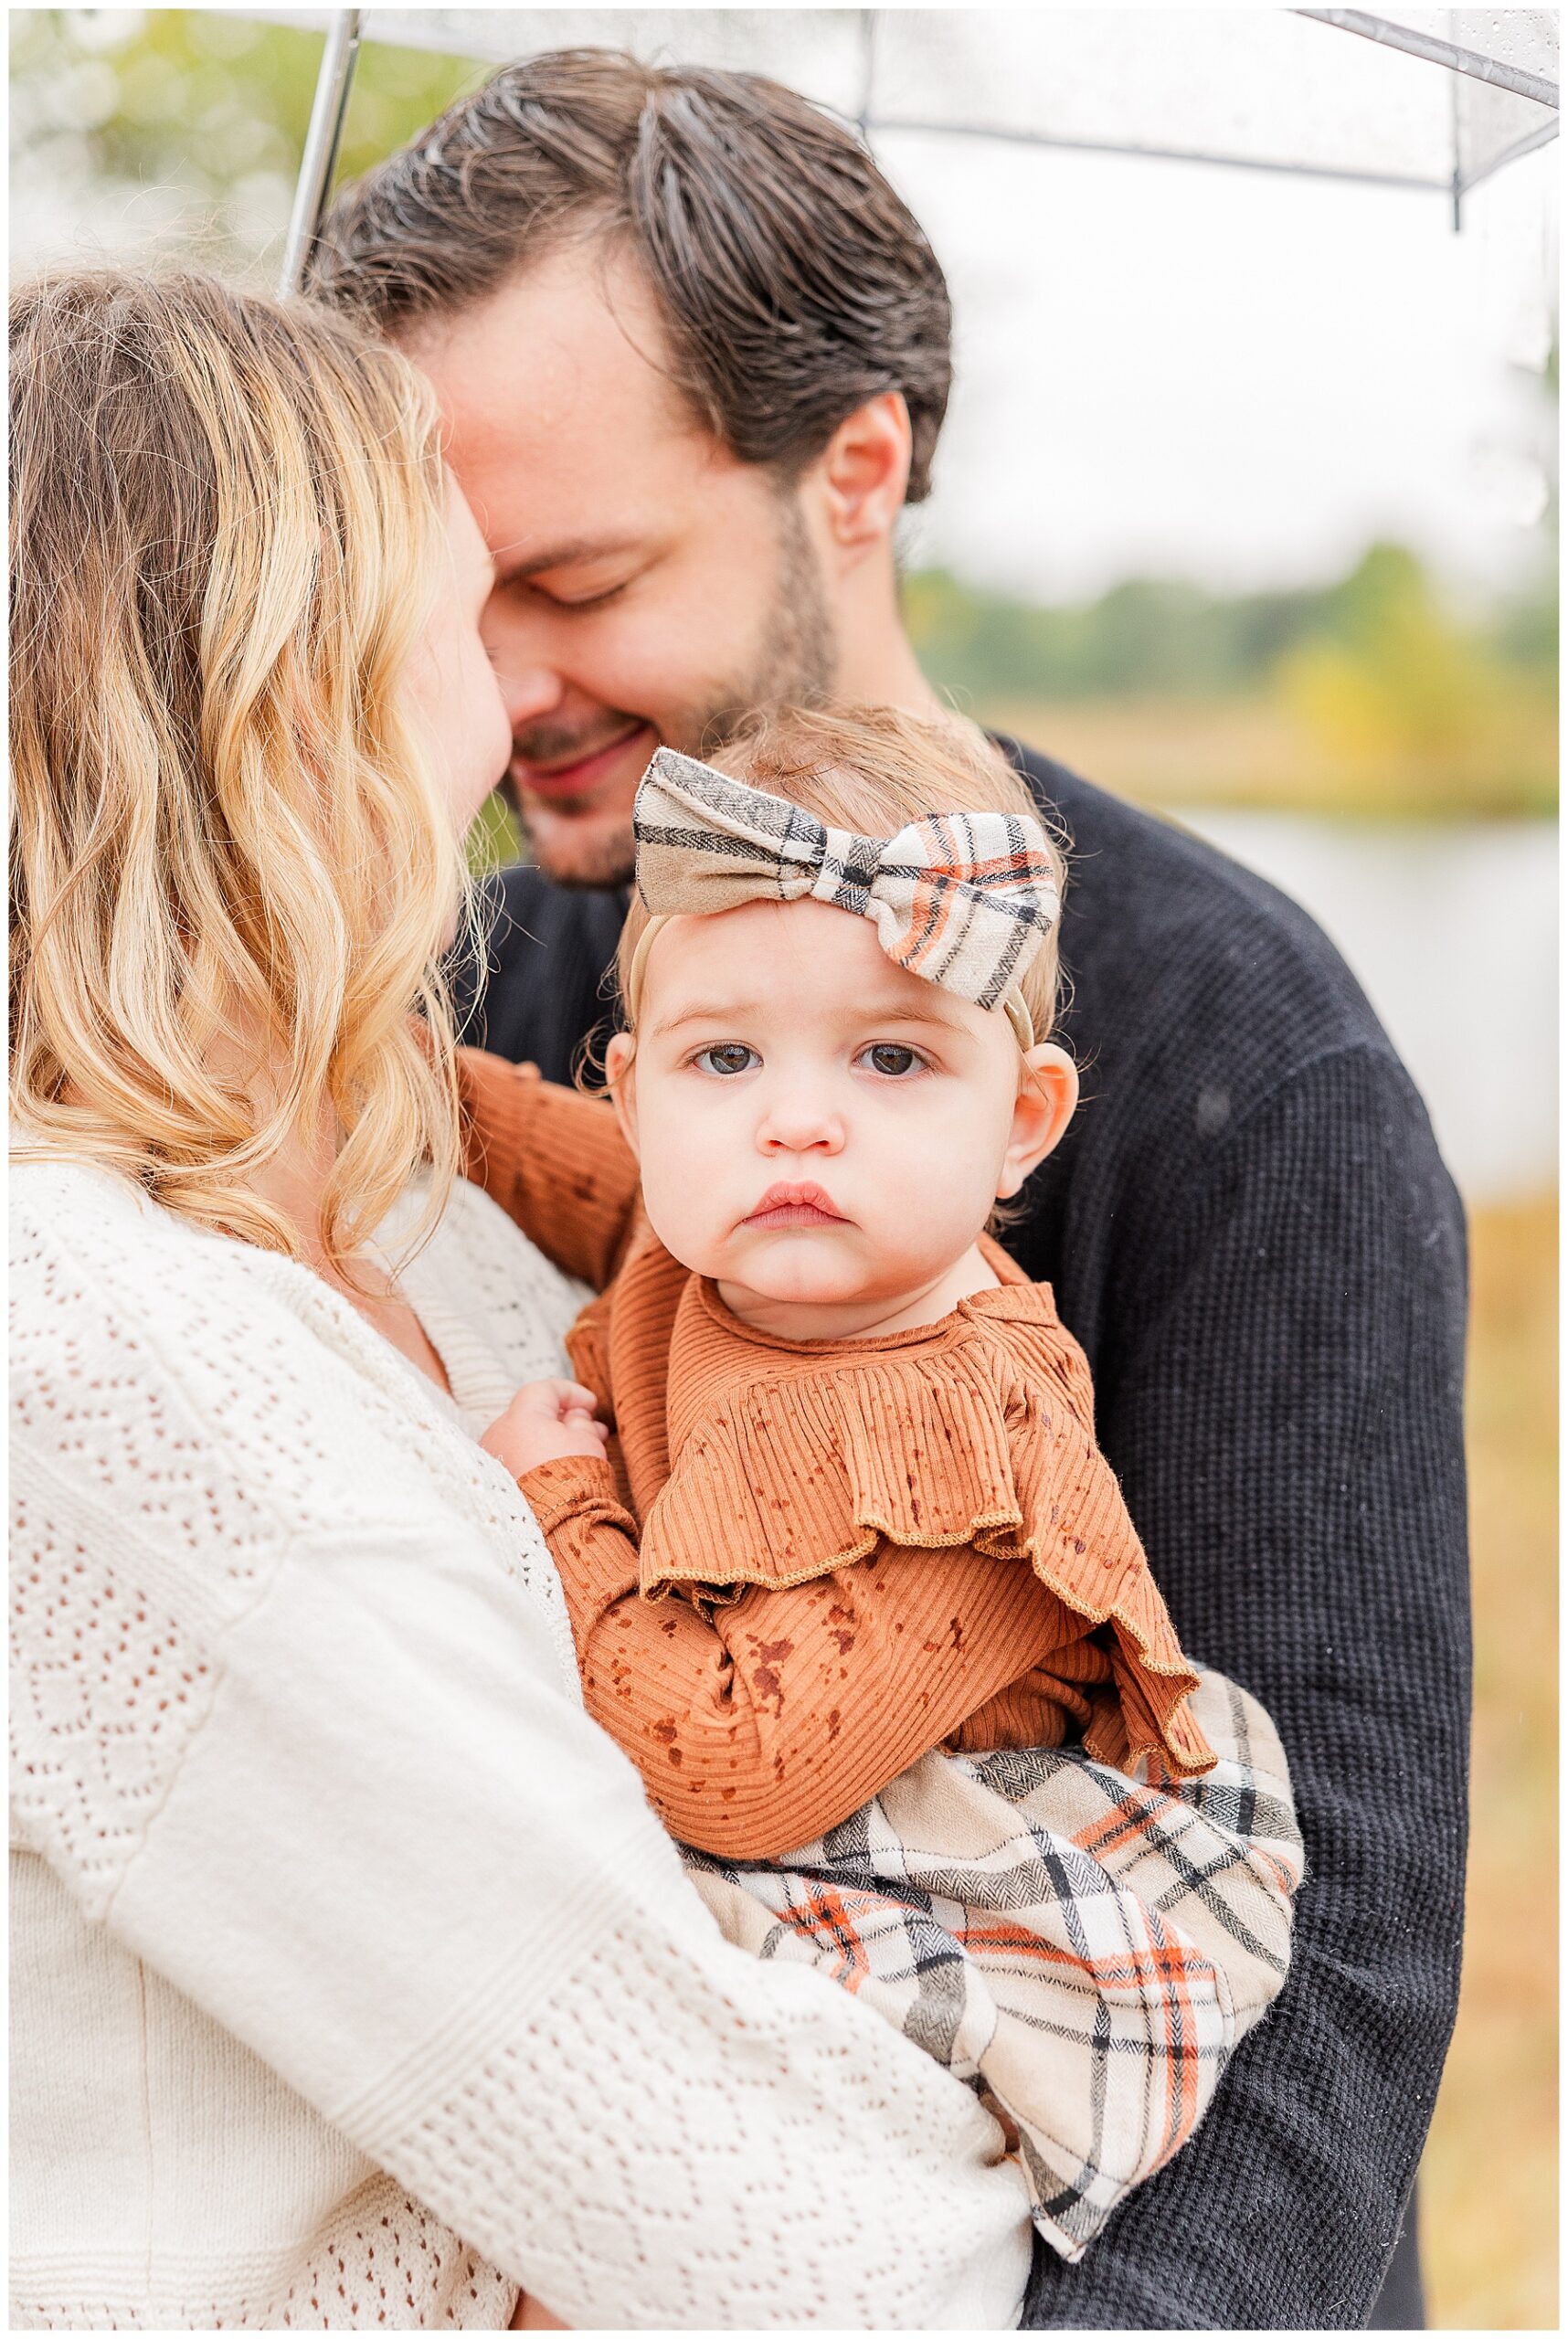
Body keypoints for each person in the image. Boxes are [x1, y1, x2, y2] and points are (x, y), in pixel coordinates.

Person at [313, 49, 1470, 2329]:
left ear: (858, 464)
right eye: (452, 599)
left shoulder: (1247, 1055)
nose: (504, 683)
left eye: (581, 577)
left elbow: (1331, 1975)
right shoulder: (477, 974)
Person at [9, 267, 1041, 2332]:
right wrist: (992, 2069)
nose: (509, 700)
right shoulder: (120, 1355)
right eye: (467, 608)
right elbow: (823, 2261)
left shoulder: (410, 1217)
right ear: (316, 703)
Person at [460, 703, 1305, 2262]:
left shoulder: (969, 1450)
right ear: (643, 1093)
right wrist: (388, 1083)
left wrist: (562, 1504)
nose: (797, 1117)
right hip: (770, 1778)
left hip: (934, 1869)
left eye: (893, 1055)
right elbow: (576, 1173)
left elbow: (731, 1771)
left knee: (647, 2212)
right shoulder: (727, 1235)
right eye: (725, 1056)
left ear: (1021, 1125)